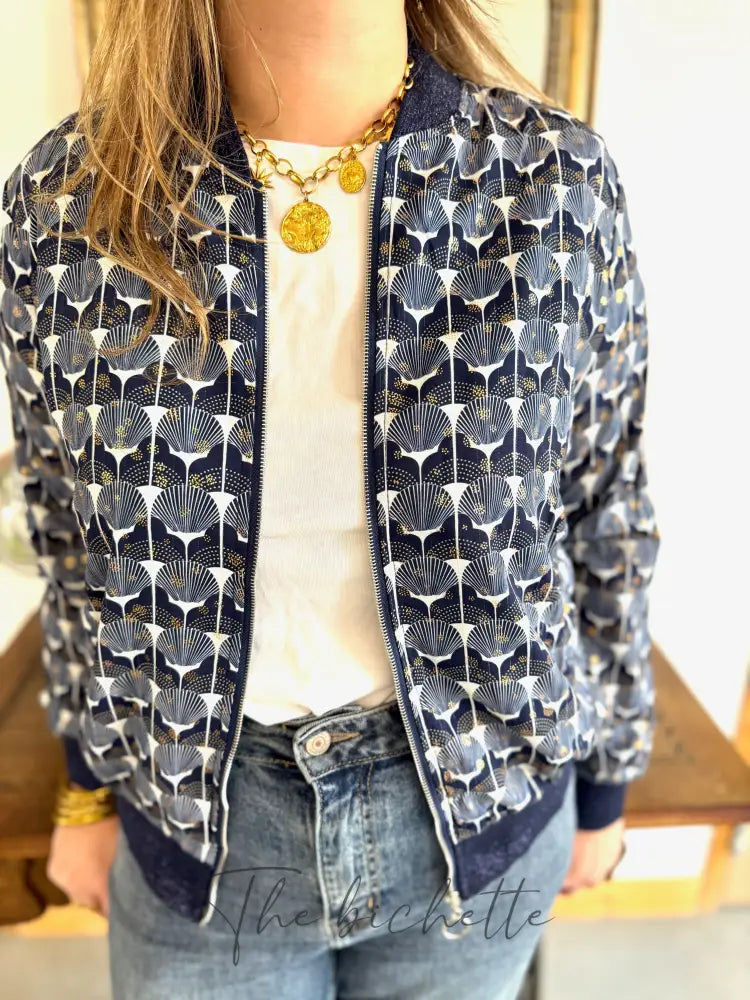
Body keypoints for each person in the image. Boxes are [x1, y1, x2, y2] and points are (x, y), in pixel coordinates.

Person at [0, 1, 660, 997]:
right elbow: (69, 533)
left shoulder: (553, 183)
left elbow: (604, 500)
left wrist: (605, 786)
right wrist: (87, 791)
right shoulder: (69, 201)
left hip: (484, 809)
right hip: (200, 829)